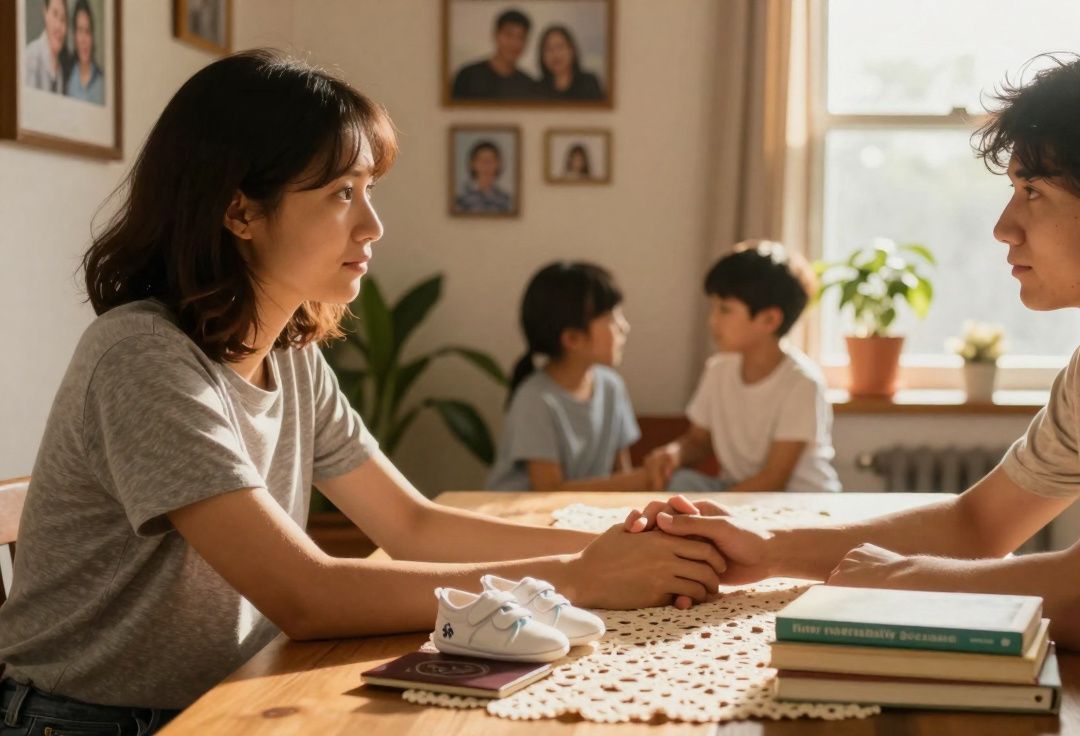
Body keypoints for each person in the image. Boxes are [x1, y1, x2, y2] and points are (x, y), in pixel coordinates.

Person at [0, 49, 725, 733]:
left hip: (232, 693)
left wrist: (605, 543)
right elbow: (306, 595)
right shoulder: (142, 356)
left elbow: (411, 525)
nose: (373, 225)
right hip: (92, 719)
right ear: (240, 211)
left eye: (369, 191)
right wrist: (580, 576)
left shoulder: (291, 355)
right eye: (342, 193)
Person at [629, 47, 1080, 735]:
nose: (1003, 226)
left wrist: (892, 581)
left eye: (1034, 192)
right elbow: (977, 526)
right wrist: (767, 548)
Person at [644, 241, 842, 493]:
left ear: (770, 319)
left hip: (798, 501)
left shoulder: (802, 382)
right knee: (679, 483)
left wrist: (710, 511)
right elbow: (698, 442)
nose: (713, 320)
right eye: (713, 307)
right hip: (741, 493)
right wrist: (674, 454)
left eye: (725, 310)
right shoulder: (718, 370)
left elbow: (773, 479)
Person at [487, 262, 653, 492]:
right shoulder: (535, 400)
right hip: (520, 519)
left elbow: (620, 475)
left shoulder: (612, 387)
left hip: (579, 515)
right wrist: (645, 479)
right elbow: (548, 491)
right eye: (612, 318)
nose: (624, 327)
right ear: (573, 339)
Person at [451, 9, 537, 100]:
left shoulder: (529, 85)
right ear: (495, 35)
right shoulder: (468, 76)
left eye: (521, 37)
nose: (514, 43)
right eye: (508, 35)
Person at [536, 25, 604, 101]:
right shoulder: (537, 89)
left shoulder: (589, 82)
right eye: (548, 49)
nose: (555, 54)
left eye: (560, 47)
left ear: (572, 51)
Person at [453, 140, 512, 214]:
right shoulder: (460, 198)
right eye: (481, 160)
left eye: (491, 161)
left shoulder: (505, 200)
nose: (486, 165)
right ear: (472, 164)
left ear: (498, 164)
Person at [22, 0, 67, 94]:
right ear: (45, 13)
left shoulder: (60, 70)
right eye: (55, 14)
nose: (59, 26)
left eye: (63, 19)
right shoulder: (31, 57)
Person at [64, 0, 104, 105]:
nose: (83, 40)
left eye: (87, 31)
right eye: (80, 31)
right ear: (74, 36)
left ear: (92, 37)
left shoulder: (102, 82)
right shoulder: (67, 80)